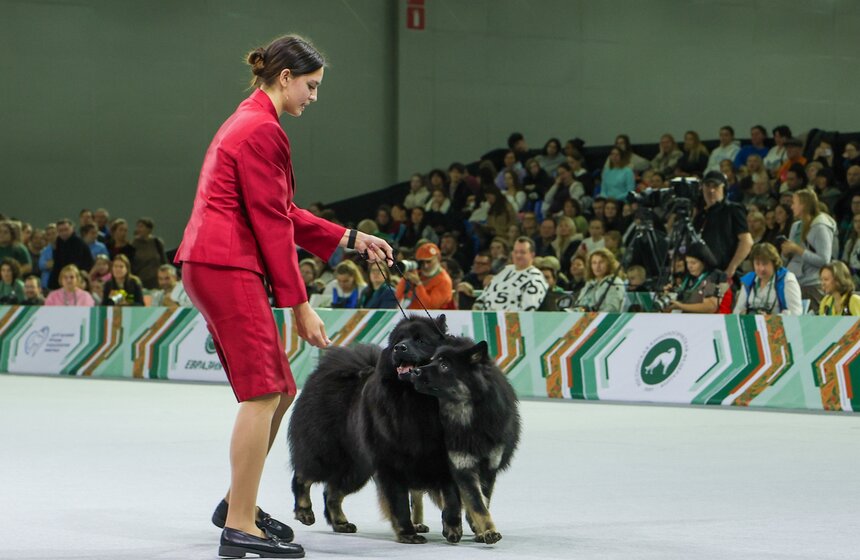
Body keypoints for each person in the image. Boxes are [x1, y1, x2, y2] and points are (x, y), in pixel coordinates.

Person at [174, 35, 394, 559]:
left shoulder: (251, 120)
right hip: (225, 263)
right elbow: (273, 226)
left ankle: (236, 505)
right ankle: (239, 527)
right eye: (312, 86)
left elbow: (282, 212)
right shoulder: (261, 130)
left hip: (216, 261)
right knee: (262, 393)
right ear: (286, 77)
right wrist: (299, 303)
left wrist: (351, 239)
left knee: (280, 388)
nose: (315, 96)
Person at [782, 189, 836, 313]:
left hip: (812, 284)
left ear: (803, 205)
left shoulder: (821, 227)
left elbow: (824, 260)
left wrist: (798, 250)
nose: (791, 207)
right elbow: (790, 256)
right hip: (793, 282)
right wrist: (785, 253)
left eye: (794, 203)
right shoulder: (796, 226)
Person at [693, 171, 753, 281]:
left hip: (724, 275)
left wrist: (731, 268)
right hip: (702, 275)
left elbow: (746, 242)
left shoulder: (733, 210)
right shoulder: (700, 215)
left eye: (715, 186)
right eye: (707, 186)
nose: (711, 190)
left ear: (724, 188)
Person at [473, 237, 547, 311]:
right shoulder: (505, 270)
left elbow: (528, 309)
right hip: (485, 317)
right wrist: (475, 314)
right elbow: (483, 297)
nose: (518, 255)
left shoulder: (536, 277)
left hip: (509, 320)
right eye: (515, 252)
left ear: (532, 255)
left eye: (522, 252)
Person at [734, 243, 803, 315]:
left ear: (774, 263)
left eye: (765, 264)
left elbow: (796, 313)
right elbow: (738, 310)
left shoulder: (787, 279)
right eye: (757, 264)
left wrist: (770, 319)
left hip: (777, 325)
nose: (761, 268)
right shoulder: (749, 280)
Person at [666, 242, 726, 314]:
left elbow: (711, 307)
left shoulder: (714, 276)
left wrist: (681, 306)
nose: (689, 266)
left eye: (693, 263)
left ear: (704, 261)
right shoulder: (689, 277)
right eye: (687, 262)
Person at [395, 242, 453, 309]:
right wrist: (404, 280)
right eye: (422, 262)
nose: (425, 266)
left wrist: (418, 284)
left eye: (429, 261)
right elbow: (397, 296)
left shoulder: (444, 281)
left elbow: (430, 307)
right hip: (409, 315)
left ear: (438, 258)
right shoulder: (417, 273)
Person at [572, 248, 626, 312]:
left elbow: (612, 308)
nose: (597, 266)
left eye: (601, 262)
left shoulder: (614, 282)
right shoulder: (590, 283)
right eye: (594, 263)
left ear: (609, 264)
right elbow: (579, 304)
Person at [48, 219, 94, 290]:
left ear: (72, 229)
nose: (64, 233)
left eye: (66, 229)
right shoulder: (58, 242)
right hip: (63, 274)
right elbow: (57, 263)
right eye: (61, 231)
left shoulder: (78, 242)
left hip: (78, 274)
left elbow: (78, 263)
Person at [131, 218, 167, 289]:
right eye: (138, 227)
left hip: (157, 280)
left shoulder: (157, 242)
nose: (139, 229)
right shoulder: (134, 244)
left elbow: (164, 260)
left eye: (141, 227)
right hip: (142, 280)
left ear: (149, 229)